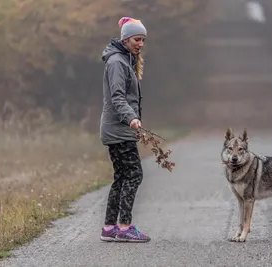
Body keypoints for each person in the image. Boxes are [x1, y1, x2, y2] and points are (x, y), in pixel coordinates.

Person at [99, 16, 150, 243]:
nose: (140, 44)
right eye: (137, 39)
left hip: (117, 129)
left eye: (143, 40)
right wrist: (132, 118)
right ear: (126, 39)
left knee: (121, 177)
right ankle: (124, 226)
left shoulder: (124, 59)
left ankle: (109, 228)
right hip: (118, 130)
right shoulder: (117, 63)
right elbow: (118, 97)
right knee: (134, 175)